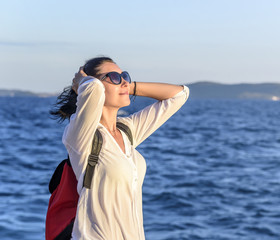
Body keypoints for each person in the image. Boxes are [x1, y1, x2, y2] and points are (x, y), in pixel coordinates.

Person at [50, 56, 189, 239]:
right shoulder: (82, 135)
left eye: (124, 76)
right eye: (114, 77)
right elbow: (93, 89)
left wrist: (125, 87)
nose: (123, 81)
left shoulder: (127, 130)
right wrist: (81, 82)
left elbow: (179, 94)